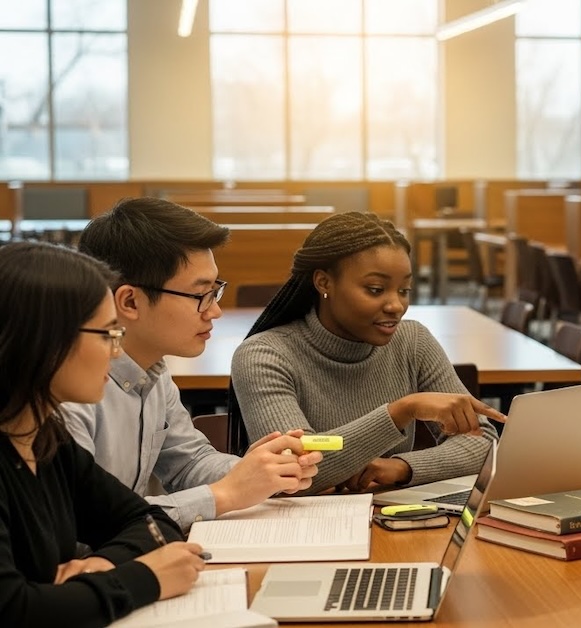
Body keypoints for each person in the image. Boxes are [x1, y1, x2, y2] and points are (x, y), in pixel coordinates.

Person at [61, 198, 321, 531]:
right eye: (200, 295)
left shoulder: (152, 371)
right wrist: (223, 495)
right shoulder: (68, 391)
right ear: (129, 301)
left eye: (216, 291)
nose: (214, 311)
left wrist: (261, 471)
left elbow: (189, 463)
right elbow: (78, 524)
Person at [0, 242, 208, 626]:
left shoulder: (45, 437)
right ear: (43, 340)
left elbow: (149, 522)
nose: (116, 353)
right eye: (108, 334)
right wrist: (144, 578)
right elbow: (14, 609)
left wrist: (101, 566)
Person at [229, 211, 504, 494]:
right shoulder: (264, 356)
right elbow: (296, 467)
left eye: (404, 290)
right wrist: (399, 412)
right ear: (324, 283)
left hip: (387, 518)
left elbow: (481, 443)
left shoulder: (413, 341)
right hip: (300, 529)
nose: (396, 305)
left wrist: (402, 467)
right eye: (375, 289)